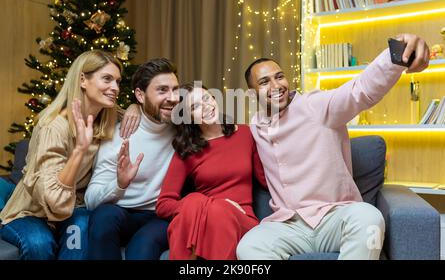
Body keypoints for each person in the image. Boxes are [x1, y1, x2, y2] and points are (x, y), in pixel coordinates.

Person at [236, 34, 430, 260]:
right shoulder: (255, 127)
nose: (276, 85)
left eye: (279, 77)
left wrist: (396, 55)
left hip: (334, 217)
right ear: (252, 94)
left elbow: (361, 91)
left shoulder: (314, 105)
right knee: (249, 247)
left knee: (369, 219)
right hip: (288, 225)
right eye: (264, 82)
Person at [0, 50, 139, 260]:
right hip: (33, 211)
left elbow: (145, 112)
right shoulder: (54, 127)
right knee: (39, 244)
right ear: (83, 79)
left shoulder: (107, 115)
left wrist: (135, 107)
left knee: (81, 230)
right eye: (107, 79)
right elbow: (54, 200)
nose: (115, 88)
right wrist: (80, 150)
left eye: (118, 81)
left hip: (75, 208)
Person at [155, 82, 267, 260]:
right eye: (195, 106)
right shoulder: (187, 150)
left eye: (207, 98)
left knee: (216, 209)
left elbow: (265, 179)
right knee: (195, 201)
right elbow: (163, 204)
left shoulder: (245, 134)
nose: (206, 107)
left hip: (242, 219)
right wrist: (212, 203)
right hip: (203, 221)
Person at [85, 58, 180, 260]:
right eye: (162, 90)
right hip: (121, 213)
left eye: (175, 89)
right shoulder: (119, 135)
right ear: (140, 95)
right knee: (103, 218)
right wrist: (119, 184)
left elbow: (212, 113)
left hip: (160, 217)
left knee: (143, 245)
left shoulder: (184, 129)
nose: (172, 98)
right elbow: (91, 200)